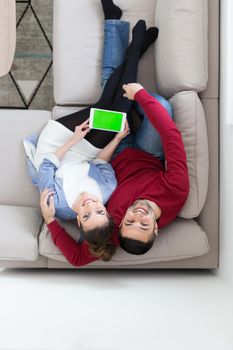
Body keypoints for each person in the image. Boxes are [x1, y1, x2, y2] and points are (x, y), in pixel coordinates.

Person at [28, 1, 160, 263]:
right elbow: (100, 161)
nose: (90, 206)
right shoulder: (107, 190)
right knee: (113, 114)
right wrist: (118, 139)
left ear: (78, 219)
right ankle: (134, 49)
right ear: (108, 213)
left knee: (113, 109)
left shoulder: (61, 205)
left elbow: (46, 166)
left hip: (57, 146)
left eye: (86, 215)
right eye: (98, 211)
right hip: (85, 152)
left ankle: (136, 48)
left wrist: (74, 139)